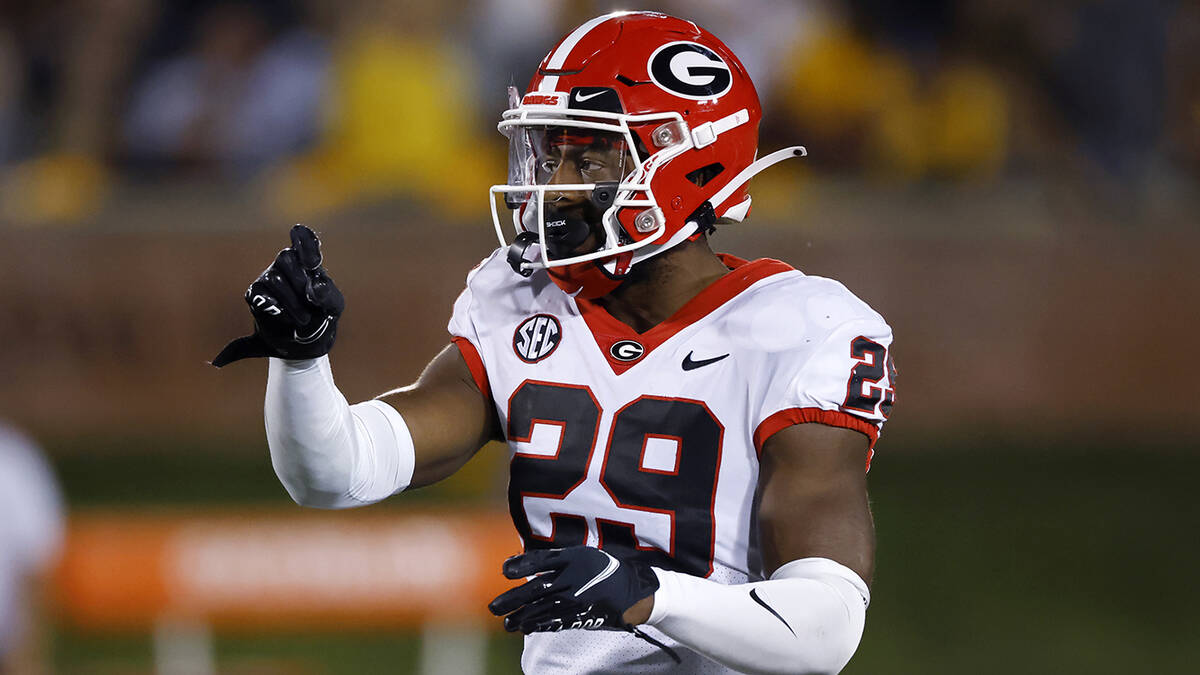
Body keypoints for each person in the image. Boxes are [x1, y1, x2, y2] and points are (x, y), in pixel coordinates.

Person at [214, 11, 896, 674]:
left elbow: (824, 627)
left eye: (592, 155)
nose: (556, 185)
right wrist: (301, 359)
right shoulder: (520, 299)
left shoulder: (800, 329)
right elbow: (335, 471)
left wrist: (650, 592)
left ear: (684, 162)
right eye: (551, 152)